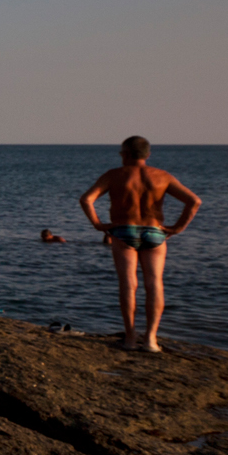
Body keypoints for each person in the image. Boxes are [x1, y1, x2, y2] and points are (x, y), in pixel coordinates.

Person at [79, 135, 202, 353]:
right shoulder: (162, 176)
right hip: (155, 232)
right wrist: (177, 228)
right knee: (154, 283)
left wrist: (98, 224)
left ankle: (130, 338)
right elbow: (194, 201)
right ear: (147, 155)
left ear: (125, 154)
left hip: (123, 230)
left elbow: (87, 199)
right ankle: (151, 341)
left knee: (128, 284)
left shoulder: (114, 175)